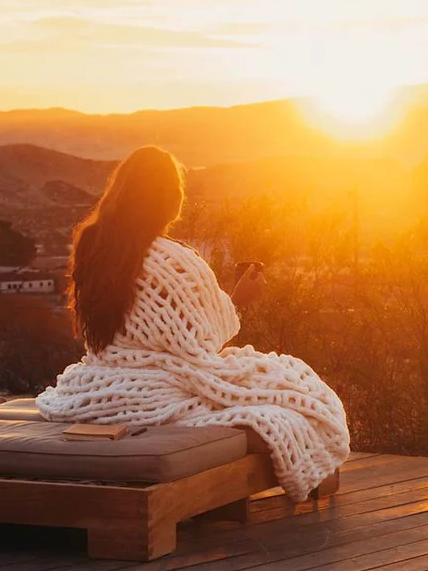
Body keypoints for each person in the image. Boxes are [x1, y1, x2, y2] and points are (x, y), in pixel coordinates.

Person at [36, 146, 350, 501]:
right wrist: (238, 301)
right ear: (171, 200)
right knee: (300, 390)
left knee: (276, 382)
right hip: (161, 392)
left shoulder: (94, 248)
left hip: (98, 384)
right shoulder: (176, 262)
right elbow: (200, 345)